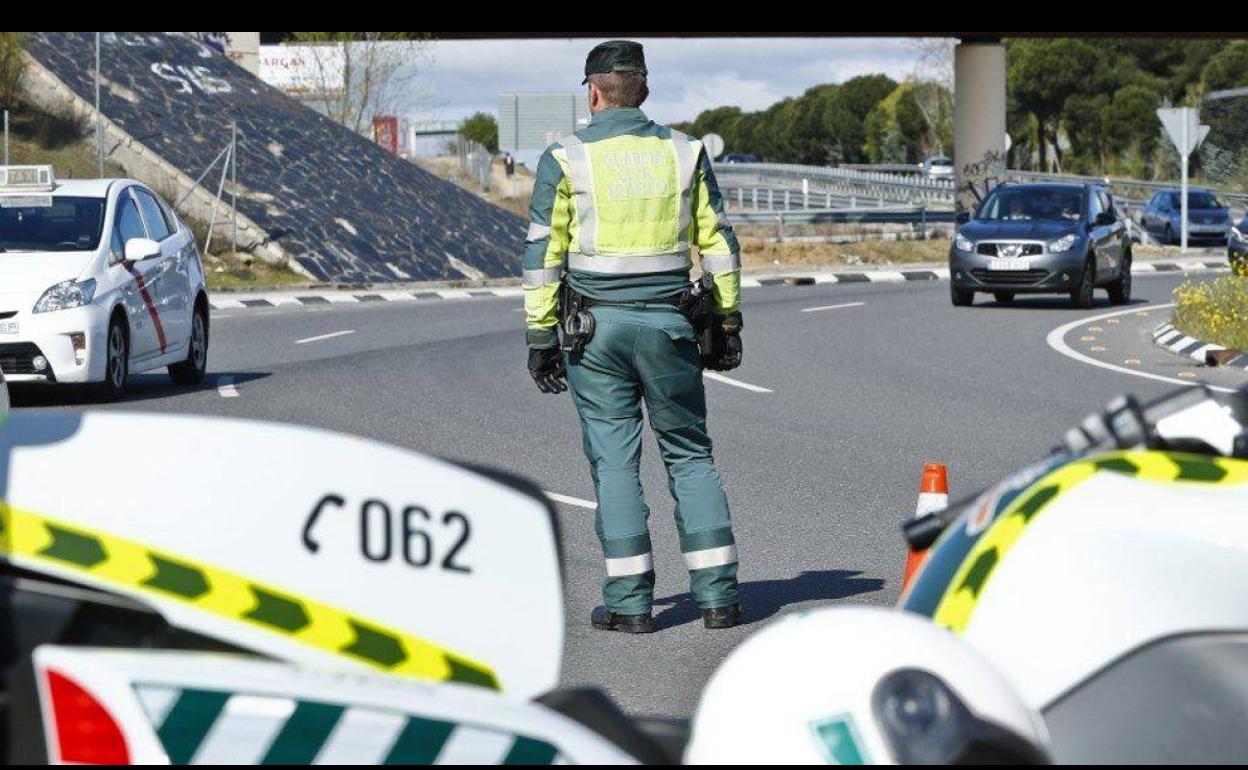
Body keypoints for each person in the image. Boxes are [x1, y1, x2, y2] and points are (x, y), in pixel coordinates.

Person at [521, 40, 745, 633]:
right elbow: (718, 242)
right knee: (691, 454)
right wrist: (726, 321)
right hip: (671, 324)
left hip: (595, 335)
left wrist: (541, 336)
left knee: (615, 464)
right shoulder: (685, 151)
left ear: (593, 92)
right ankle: (719, 598)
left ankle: (630, 606)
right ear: (642, 90)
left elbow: (543, 254)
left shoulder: (564, 158)